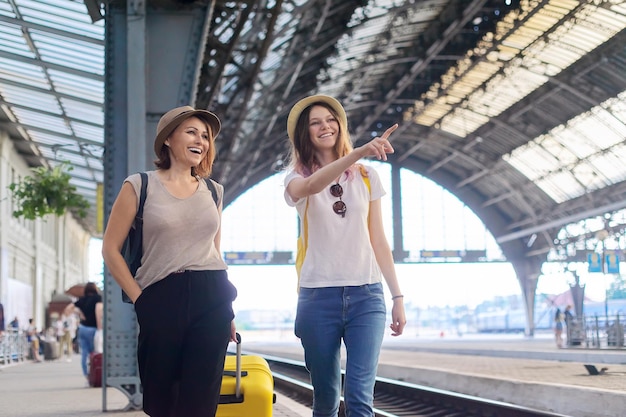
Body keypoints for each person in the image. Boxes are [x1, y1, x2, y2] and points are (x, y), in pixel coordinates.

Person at [101, 105, 238, 417]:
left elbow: (215, 252)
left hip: (212, 295)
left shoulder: (213, 191)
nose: (200, 141)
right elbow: (110, 248)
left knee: (201, 400)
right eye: (191, 132)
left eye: (205, 136)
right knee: (162, 399)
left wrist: (227, 311)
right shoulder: (139, 185)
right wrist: (141, 300)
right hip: (160, 295)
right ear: (167, 139)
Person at [283, 94, 407, 417]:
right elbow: (310, 187)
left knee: (360, 399)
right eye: (315, 123)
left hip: (366, 296)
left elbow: (378, 239)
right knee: (325, 399)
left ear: (340, 124)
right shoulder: (294, 178)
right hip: (317, 299)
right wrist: (358, 153)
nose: (325, 126)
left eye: (330, 119)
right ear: (305, 133)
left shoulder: (367, 177)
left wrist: (398, 296)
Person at [64, 282, 101, 379]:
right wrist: (99, 326)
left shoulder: (82, 300)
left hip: (83, 328)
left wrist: (79, 312)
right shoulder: (98, 298)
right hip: (93, 328)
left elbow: (68, 309)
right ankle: (94, 374)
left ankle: (86, 375)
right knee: (95, 352)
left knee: (84, 352)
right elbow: (98, 311)